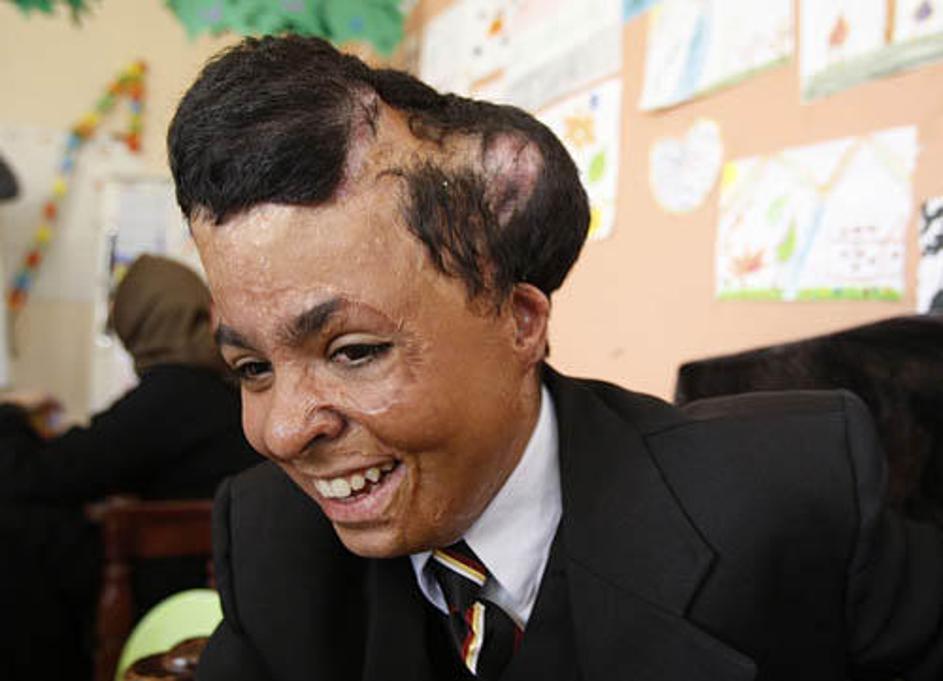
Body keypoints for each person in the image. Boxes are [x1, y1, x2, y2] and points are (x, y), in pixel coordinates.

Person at [168, 35, 943, 681]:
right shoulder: (273, 539)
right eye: (252, 369)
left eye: (354, 351)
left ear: (518, 320)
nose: (282, 431)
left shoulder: (786, 494)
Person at [0, 254, 259, 681]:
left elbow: (42, 474)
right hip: (226, 581)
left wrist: (12, 412)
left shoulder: (173, 391)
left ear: (137, 322)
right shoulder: (236, 382)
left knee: (17, 523)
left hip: (162, 589)